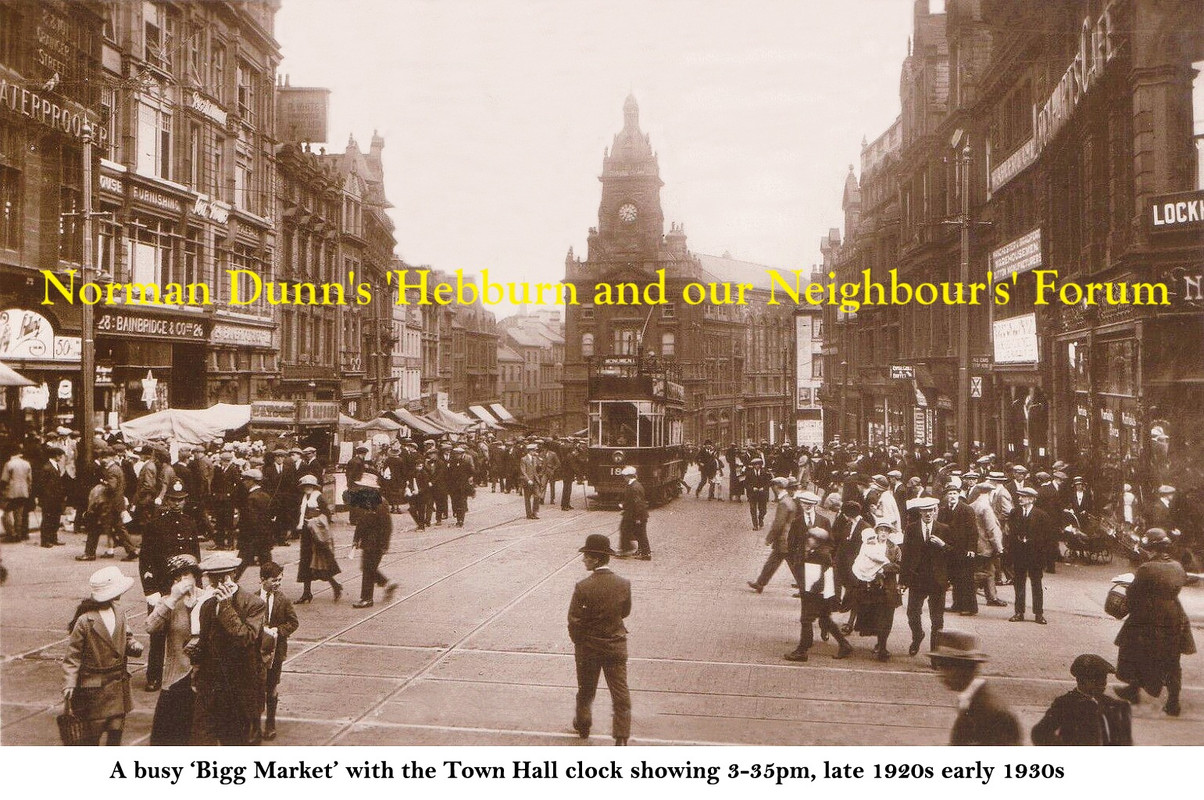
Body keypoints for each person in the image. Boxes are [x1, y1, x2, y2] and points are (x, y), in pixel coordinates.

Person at [1114, 528, 1196, 716]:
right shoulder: (1177, 566)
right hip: (1174, 616)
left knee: (1136, 651)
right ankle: (1173, 702)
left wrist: (1129, 592)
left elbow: (1133, 594)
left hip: (1149, 617)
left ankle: (1133, 689)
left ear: (1150, 548)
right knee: (1172, 659)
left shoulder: (1146, 568)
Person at [62, 566, 144, 746]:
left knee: (115, 735)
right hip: (94, 690)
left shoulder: (120, 612)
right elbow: (73, 655)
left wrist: (132, 645)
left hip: (117, 685)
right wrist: (69, 682)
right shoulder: (85, 620)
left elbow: (125, 636)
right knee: (92, 737)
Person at [190, 553, 266, 745]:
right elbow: (205, 641)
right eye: (211, 579)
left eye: (218, 579)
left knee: (235, 742)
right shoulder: (207, 606)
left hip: (239, 690)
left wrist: (226, 608)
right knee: (200, 741)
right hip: (210, 688)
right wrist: (196, 662)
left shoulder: (254, 604)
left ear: (230, 576)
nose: (213, 585)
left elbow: (245, 637)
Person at [568, 533, 632, 746]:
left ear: (595, 559)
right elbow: (625, 612)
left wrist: (579, 642)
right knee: (620, 692)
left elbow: (574, 620)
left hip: (589, 648)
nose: (583, 559)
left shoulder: (583, 586)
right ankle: (621, 735)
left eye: (586, 556)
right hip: (615, 646)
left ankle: (583, 724)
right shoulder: (623, 584)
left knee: (586, 689)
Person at [138, 480, 202, 692]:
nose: (177, 504)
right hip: (163, 587)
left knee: (184, 631)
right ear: (167, 500)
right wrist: (150, 590)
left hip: (186, 585)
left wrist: (197, 586)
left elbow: (195, 559)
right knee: (158, 634)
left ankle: (184, 673)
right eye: (173, 500)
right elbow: (145, 560)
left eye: (180, 500)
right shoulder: (155, 525)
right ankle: (154, 676)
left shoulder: (190, 523)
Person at [146, 554, 203, 745]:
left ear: (195, 576)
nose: (181, 581)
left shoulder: (207, 598)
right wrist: (172, 599)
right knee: (166, 739)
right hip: (176, 677)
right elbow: (151, 627)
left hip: (202, 677)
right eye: (176, 577)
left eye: (185, 575)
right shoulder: (167, 601)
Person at [929, 629, 1020, 746]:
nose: (940, 674)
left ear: (965, 668)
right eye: (940, 667)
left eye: (946, 667)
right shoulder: (972, 700)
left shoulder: (992, 711)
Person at [784, 524, 852, 662]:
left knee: (806, 620)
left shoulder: (821, 555)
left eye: (811, 538)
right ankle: (844, 645)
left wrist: (812, 590)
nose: (808, 540)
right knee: (825, 619)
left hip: (816, 594)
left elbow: (824, 575)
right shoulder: (817, 552)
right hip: (821, 593)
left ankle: (802, 651)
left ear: (817, 541)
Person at [1031, 654, 1133, 745]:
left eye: (1104, 678)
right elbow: (1039, 733)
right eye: (1095, 679)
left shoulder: (1112, 704)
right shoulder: (1065, 704)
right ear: (1081, 680)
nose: (1102, 683)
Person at [901, 496, 949, 656]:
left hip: (937, 580)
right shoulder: (911, 529)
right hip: (918, 578)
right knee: (912, 613)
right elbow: (906, 555)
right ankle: (917, 635)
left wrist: (943, 545)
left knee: (937, 619)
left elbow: (953, 554)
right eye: (925, 511)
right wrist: (903, 581)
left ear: (935, 511)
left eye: (931, 510)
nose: (928, 514)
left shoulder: (944, 529)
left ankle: (935, 653)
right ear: (920, 512)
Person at [257, 561, 299, 741]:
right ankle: (254, 724)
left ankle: (270, 724)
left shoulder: (284, 600)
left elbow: (293, 623)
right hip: (257, 651)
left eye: (279, 580)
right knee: (256, 686)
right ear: (263, 579)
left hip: (276, 651)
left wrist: (277, 630)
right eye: (274, 580)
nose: (277, 584)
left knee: (271, 686)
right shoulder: (252, 598)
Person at [851, 520, 903, 661]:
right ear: (877, 532)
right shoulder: (869, 545)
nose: (883, 533)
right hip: (873, 588)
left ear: (889, 533)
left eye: (886, 530)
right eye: (881, 530)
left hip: (889, 587)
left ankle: (883, 647)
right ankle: (881, 644)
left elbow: (899, 566)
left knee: (887, 618)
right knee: (878, 617)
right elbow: (861, 562)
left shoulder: (895, 548)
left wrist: (883, 569)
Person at [350, 473, 397, 608]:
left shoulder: (381, 503)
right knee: (367, 568)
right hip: (367, 541)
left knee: (368, 569)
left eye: (364, 488)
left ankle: (367, 599)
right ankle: (387, 584)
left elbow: (387, 526)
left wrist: (384, 545)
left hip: (377, 542)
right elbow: (361, 523)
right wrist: (356, 539)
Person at [1006, 486, 1052, 624]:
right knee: (1019, 583)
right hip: (1019, 554)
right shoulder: (1014, 513)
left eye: (1023, 496)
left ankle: (1038, 614)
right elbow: (1011, 534)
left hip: (1035, 556)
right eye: (1019, 496)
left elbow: (1047, 538)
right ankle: (1019, 612)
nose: (1020, 499)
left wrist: (1043, 558)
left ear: (1031, 499)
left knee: (1036, 584)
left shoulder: (1041, 515)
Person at [295, 474, 342, 604]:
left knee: (321, 563)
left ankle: (335, 585)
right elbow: (301, 514)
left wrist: (315, 520)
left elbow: (327, 514)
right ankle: (306, 593)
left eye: (310, 485)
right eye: (305, 486)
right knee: (305, 562)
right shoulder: (304, 498)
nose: (307, 488)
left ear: (314, 486)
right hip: (306, 533)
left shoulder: (319, 497)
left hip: (317, 535)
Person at [748, 477, 795, 592]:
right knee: (774, 562)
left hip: (784, 538)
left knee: (792, 566)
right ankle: (760, 583)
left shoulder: (784, 502)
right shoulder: (788, 500)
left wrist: (769, 538)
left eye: (772, 487)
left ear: (776, 487)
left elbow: (779, 523)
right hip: (787, 538)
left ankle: (807, 587)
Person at [35, 446, 68, 547]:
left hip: (55, 498)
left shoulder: (54, 466)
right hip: (49, 498)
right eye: (60, 456)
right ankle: (45, 540)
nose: (61, 458)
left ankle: (53, 538)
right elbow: (42, 485)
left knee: (55, 519)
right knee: (47, 519)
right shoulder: (47, 467)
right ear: (56, 456)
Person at [616, 466, 651, 560]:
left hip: (637, 515)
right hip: (632, 514)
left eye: (624, 477)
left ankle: (646, 554)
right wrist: (624, 506)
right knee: (628, 530)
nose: (624, 478)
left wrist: (638, 518)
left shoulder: (634, 487)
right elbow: (632, 501)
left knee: (640, 534)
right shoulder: (634, 485)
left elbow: (638, 503)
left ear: (628, 476)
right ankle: (633, 550)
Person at [1, 445, 32, 542]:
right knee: (19, 514)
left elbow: (4, 479)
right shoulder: (27, 464)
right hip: (23, 492)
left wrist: (2, 491)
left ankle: (11, 534)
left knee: (5, 513)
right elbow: (30, 480)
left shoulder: (9, 464)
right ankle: (19, 534)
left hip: (11, 492)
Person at [745, 457, 771, 529]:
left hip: (762, 494)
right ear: (753, 465)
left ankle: (761, 519)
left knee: (763, 510)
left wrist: (764, 488)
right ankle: (755, 525)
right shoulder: (749, 473)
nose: (757, 466)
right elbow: (745, 484)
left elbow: (769, 483)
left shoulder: (764, 473)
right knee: (753, 509)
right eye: (755, 464)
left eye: (758, 464)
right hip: (752, 494)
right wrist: (752, 488)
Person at [520, 443, 542, 519]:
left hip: (535, 480)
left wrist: (540, 462)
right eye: (534, 451)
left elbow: (537, 469)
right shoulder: (523, 459)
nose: (535, 452)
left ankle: (535, 512)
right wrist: (528, 479)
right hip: (528, 481)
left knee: (537, 496)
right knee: (527, 498)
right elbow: (523, 471)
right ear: (530, 451)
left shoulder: (535, 459)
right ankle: (529, 514)